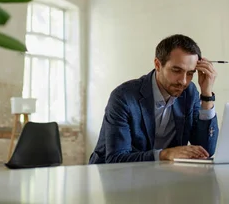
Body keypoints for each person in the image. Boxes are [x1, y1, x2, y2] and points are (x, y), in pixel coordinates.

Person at [89, 34, 219, 163]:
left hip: (163, 176)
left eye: (190, 73)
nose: (184, 81)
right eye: (176, 70)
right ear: (157, 64)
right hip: (111, 177)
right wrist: (164, 154)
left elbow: (206, 150)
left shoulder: (189, 93)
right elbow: (116, 159)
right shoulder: (124, 97)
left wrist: (207, 95)